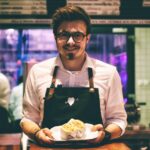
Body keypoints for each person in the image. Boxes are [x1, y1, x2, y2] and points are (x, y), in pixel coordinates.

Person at [20, 5, 127, 145]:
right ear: (55, 37)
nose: (70, 41)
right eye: (64, 35)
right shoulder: (37, 72)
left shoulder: (109, 73)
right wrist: (37, 133)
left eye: (77, 35)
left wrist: (105, 134)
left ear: (87, 38)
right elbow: (28, 119)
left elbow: (118, 119)